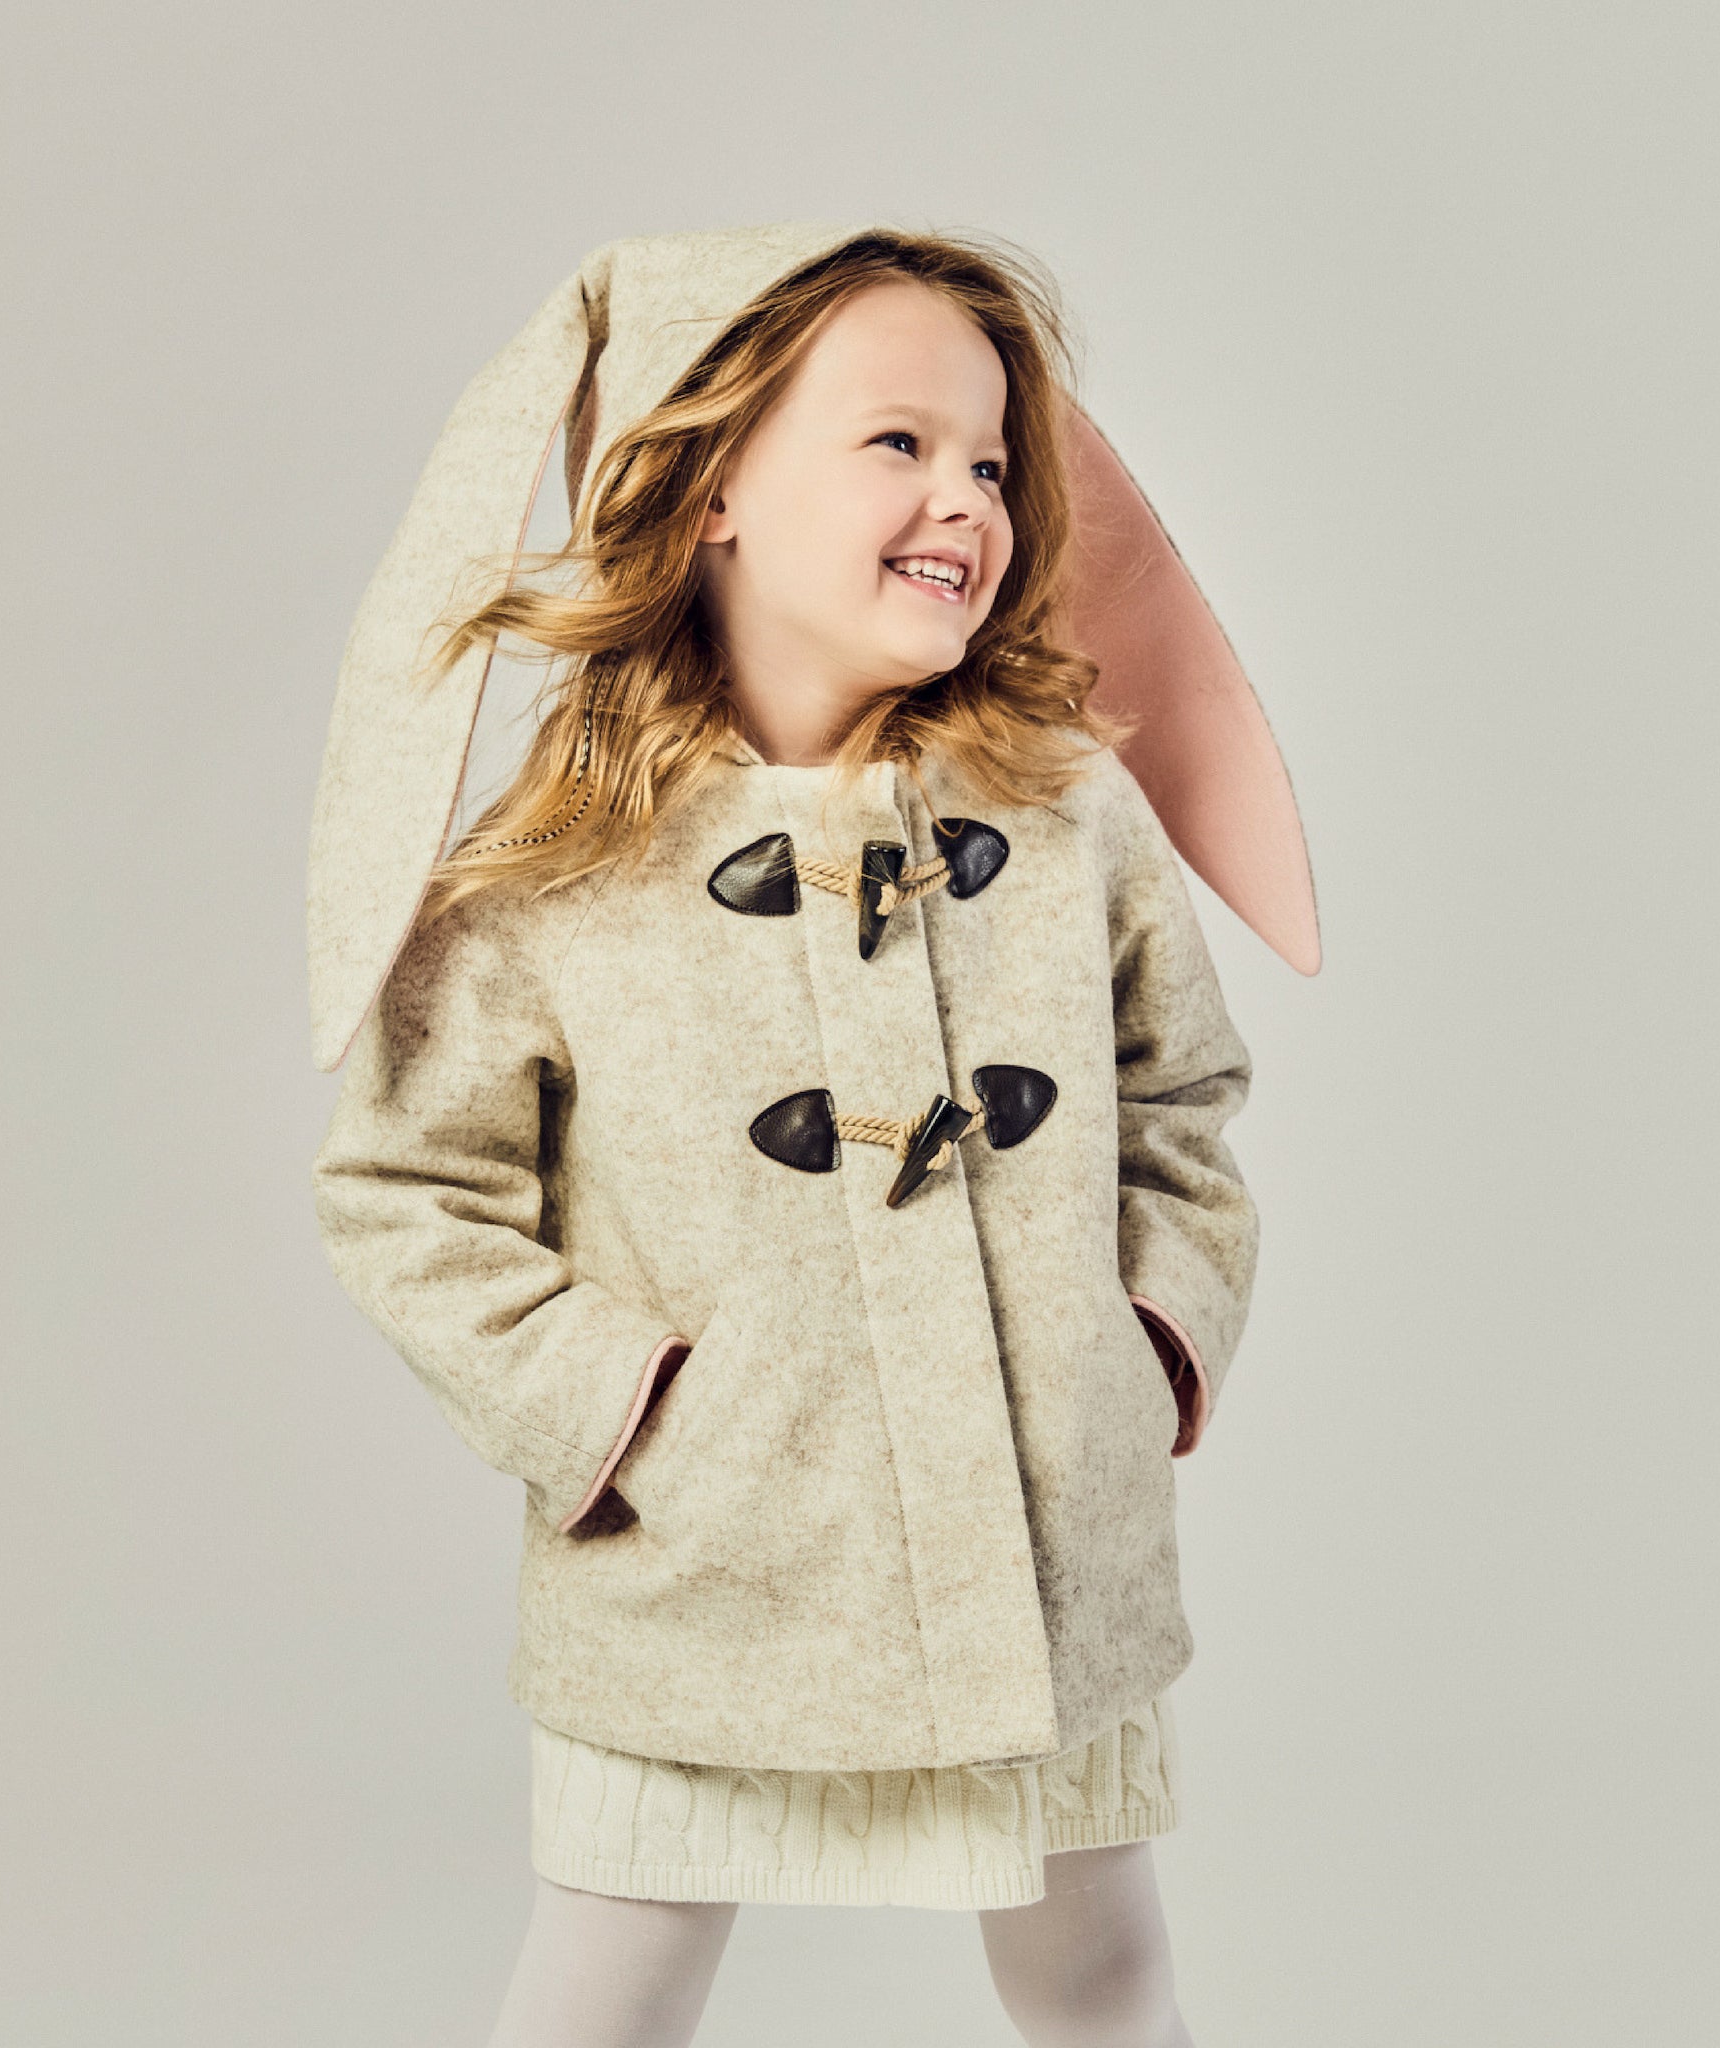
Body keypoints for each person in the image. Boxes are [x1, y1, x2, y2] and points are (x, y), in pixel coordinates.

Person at [307, 222, 1318, 2047]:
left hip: (1038, 1540)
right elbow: (405, 1190)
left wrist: (1144, 1344)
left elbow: (1180, 1100)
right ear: (709, 491)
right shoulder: (554, 869)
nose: (969, 499)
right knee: (607, 1993)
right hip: (710, 1562)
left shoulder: (1068, 810)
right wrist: (620, 1415)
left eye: (995, 459)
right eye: (900, 443)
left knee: (1101, 1975)